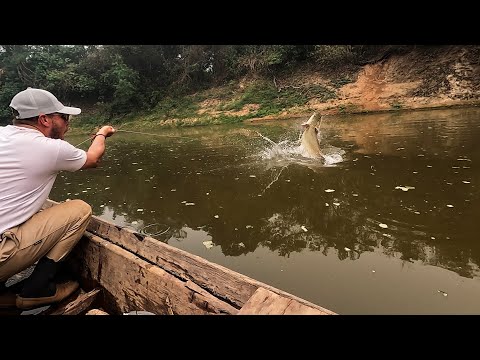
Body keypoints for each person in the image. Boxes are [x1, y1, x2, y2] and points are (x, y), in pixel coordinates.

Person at [0, 87, 116, 310]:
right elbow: (93, 159)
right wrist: (102, 133)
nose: (68, 123)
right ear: (44, 119)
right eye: (63, 117)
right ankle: (38, 289)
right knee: (79, 210)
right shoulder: (49, 148)